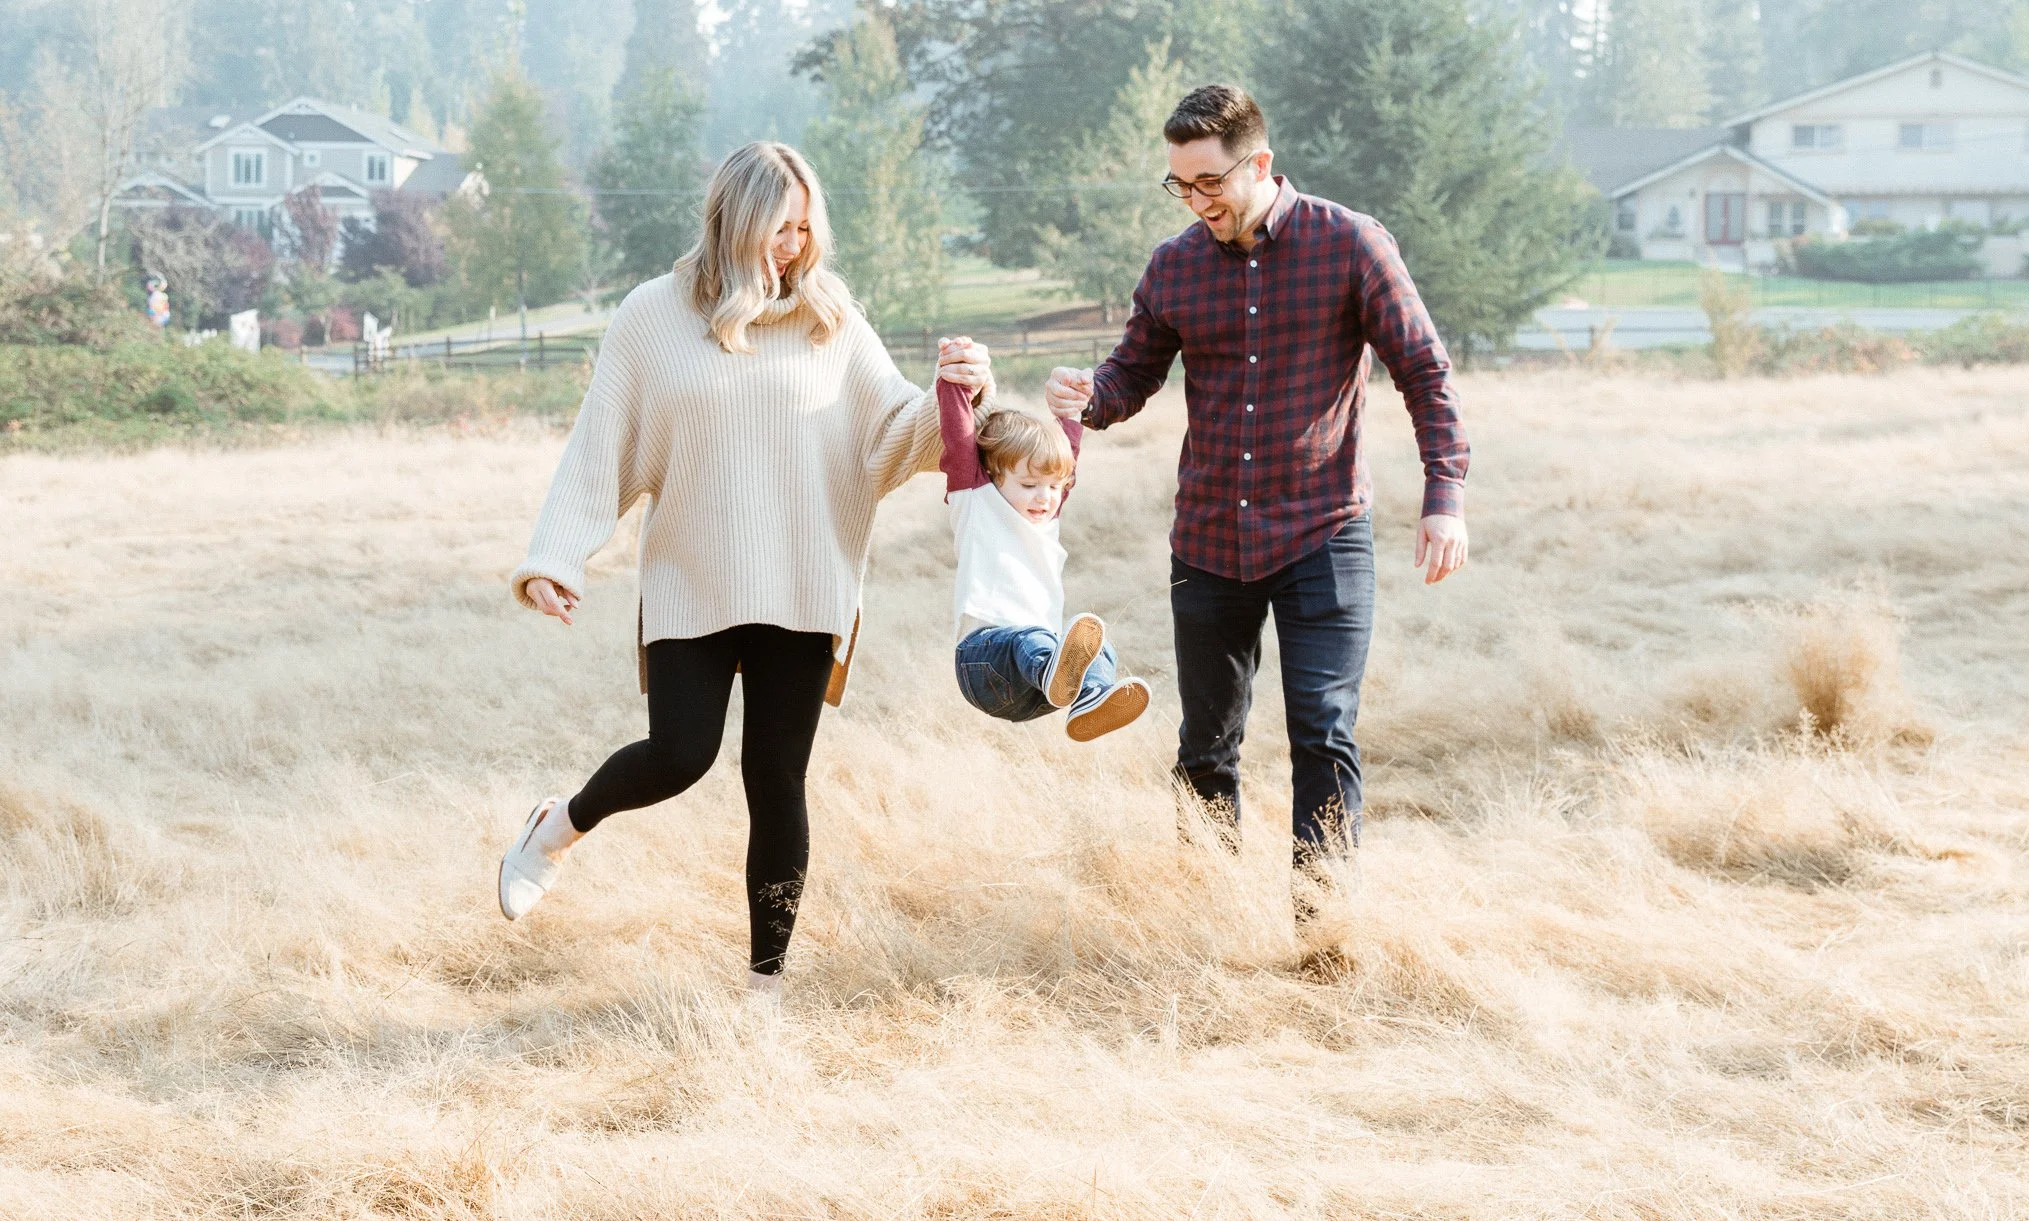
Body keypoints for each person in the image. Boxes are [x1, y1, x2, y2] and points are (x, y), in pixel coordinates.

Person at [496, 141, 993, 1000]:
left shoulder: (831, 317)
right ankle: (554, 827)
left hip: (802, 582)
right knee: (679, 754)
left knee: (776, 778)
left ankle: (765, 990)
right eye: (777, 228)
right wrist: (553, 558)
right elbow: (600, 444)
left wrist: (961, 391)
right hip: (695, 577)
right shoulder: (653, 315)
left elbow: (895, 431)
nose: (792, 247)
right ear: (732, 220)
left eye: (804, 229)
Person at [1045, 84, 1470, 913]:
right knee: (1206, 745)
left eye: (1210, 182)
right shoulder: (1174, 266)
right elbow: (1131, 375)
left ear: (1260, 163)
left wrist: (1443, 495)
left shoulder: (1350, 245)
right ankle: (1209, 917)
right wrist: (1085, 394)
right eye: (1180, 185)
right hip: (1207, 543)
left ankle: (1322, 929)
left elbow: (1424, 369)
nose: (1196, 201)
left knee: (1322, 730)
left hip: (1324, 531)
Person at [939, 374, 1151, 741]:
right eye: (1028, 485)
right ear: (992, 474)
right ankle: (1055, 673)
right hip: (984, 661)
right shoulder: (976, 501)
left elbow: (1067, 456)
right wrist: (953, 382)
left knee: (1099, 647)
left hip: (1036, 695)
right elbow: (958, 441)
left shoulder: (1046, 517)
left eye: (1054, 487)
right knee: (1033, 638)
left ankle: (1088, 700)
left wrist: (1072, 411)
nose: (1044, 498)